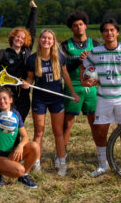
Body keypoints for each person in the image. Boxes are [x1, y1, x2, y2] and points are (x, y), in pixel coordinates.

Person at [80, 19, 121, 178]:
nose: (109, 33)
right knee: (100, 132)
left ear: (117, 32)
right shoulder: (96, 51)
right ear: (102, 33)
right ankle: (103, 165)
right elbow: (84, 67)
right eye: (106, 30)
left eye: (112, 30)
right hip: (104, 98)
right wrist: (85, 80)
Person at [23, 29, 79, 176]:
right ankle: (36, 162)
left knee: (58, 132)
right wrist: (27, 83)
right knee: (39, 132)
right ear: (39, 40)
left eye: (49, 38)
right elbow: (30, 78)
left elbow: (65, 75)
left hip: (56, 98)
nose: (46, 40)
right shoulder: (32, 59)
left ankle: (61, 162)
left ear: (53, 41)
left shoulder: (59, 57)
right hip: (39, 99)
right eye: (43, 38)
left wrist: (72, 92)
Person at [60, 10, 100, 167]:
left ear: (86, 26)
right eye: (75, 26)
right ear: (71, 28)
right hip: (73, 86)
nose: (78, 28)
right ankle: (61, 154)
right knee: (68, 123)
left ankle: (101, 154)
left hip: (92, 87)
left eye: (81, 25)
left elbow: (101, 65)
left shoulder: (95, 44)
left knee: (94, 122)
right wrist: (79, 61)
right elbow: (63, 68)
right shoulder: (65, 45)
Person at [0, 87, 39, 189]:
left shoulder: (16, 115)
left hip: (9, 154)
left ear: (11, 100)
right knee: (19, 170)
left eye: (4, 98)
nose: (2, 101)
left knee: (35, 146)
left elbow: (25, 137)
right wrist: (1, 118)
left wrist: (20, 146)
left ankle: (23, 177)